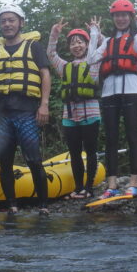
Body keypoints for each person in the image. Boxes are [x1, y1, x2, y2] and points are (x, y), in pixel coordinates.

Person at [0, 4, 52, 215]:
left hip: (27, 111)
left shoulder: (33, 47)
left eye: (11, 20)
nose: (7, 24)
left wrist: (44, 104)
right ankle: (12, 206)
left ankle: (43, 206)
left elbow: (45, 75)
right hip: (1, 114)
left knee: (33, 159)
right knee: (5, 162)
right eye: (3, 21)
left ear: (21, 22)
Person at [87, 0, 137, 198]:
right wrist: (93, 35)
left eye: (125, 15)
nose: (121, 18)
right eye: (117, 15)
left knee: (132, 135)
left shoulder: (136, 39)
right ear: (113, 18)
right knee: (111, 138)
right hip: (110, 92)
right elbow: (91, 59)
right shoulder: (108, 42)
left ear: (131, 18)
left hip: (133, 90)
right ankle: (112, 184)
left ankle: (133, 182)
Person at [46, 18, 101, 199]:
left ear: (86, 45)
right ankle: (78, 188)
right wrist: (55, 33)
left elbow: (101, 47)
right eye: (72, 43)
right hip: (69, 115)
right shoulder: (65, 67)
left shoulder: (94, 63)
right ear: (69, 47)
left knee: (91, 151)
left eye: (80, 42)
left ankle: (89, 188)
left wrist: (95, 32)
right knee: (75, 153)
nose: (76, 46)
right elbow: (51, 54)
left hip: (91, 113)